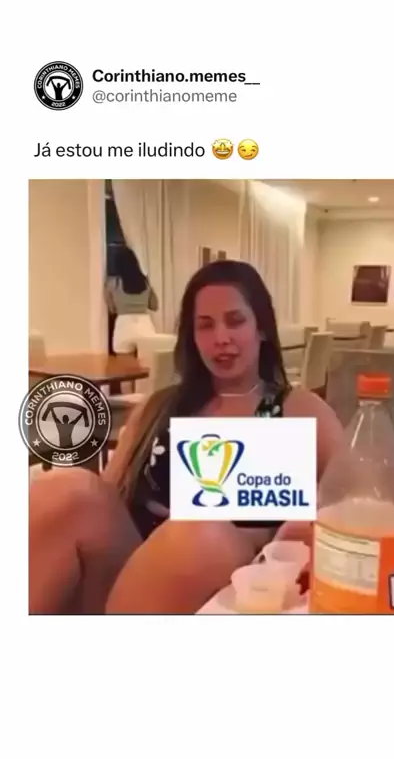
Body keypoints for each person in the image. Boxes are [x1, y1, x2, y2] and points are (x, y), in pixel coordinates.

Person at [29, 260, 343, 614]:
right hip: (132, 568)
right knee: (67, 487)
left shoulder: (298, 409)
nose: (221, 338)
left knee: (197, 531)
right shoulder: (162, 405)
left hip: (234, 584)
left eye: (235, 321)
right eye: (205, 325)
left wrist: (308, 523)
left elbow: (358, 499)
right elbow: (108, 495)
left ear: (262, 329)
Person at [105, 246, 158, 354]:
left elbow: (112, 308)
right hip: (144, 323)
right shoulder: (145, 282)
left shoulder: (113, 283)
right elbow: (154, 306)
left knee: (123, 361)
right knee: (147, 360)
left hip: (124, 323)